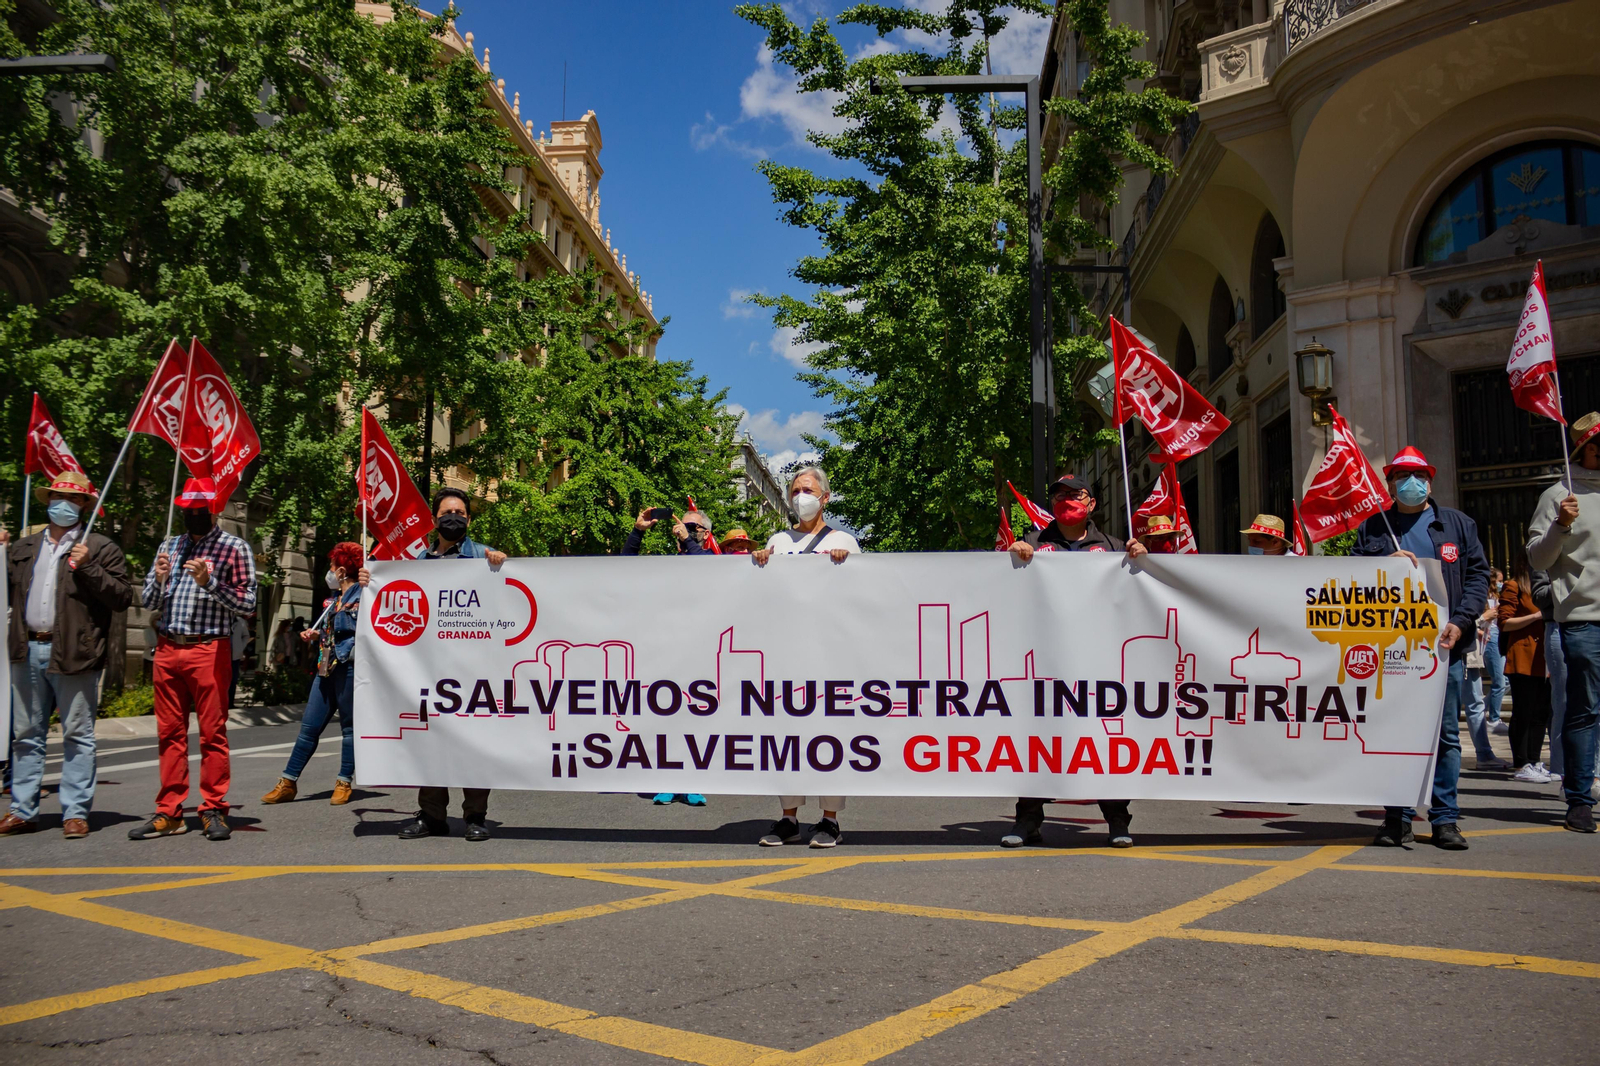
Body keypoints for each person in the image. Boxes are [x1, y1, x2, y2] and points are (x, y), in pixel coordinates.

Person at [1004, 473, 1147, 849]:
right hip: (1044, 664)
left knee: (1102, 739)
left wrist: (1140, 561)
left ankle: (1117, 820)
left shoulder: (1115, 547)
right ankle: (1028, 819)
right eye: (1059, 495)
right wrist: (1011, 557)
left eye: (1075, 495)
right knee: (1038, 739)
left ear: (1091, 503)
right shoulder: (1033, 543)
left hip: (1099, 664)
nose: (1066, 501)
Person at [1356, 447, 1488, 851]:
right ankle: (1396, 818)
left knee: (1445, 734)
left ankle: (1445, 819)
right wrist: (1384, 568)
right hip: (1391, 648)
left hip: (1443, 646)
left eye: (1418, 476)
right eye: (1401, 477)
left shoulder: (1457, 525)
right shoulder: (1374, 528)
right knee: (1392, 732)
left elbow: (1478, 576)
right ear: (1390, 483)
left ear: (1430, 480)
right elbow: (1354, 582)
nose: (1411, 483)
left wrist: (1461, 621)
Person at [363, 487, 506, 842]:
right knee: (429, 744)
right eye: (446, 512)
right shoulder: (418, 565)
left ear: (468, 520)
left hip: (473, 671)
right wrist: (368, 584)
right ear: (435, 519)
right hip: (430, 672)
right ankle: (431, 815)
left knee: (474, 744)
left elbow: (505, 603)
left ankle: (475, 816)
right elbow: (393, 602)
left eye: (459, 512)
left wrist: (503, 566)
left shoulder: (484, 559)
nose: (453, 517)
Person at [0, 472, 133, 838]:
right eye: (58, 496)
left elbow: (122, 597)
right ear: (47, 500)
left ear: (84, 506)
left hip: (75, 654)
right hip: (26, 649)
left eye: (73, 499)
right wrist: (1, 550)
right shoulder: (24, 548)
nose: (64, 504)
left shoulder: (101, 547)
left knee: (78, 734)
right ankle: (22, 810)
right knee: (25, 734)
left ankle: (75, 812)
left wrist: (88, 565)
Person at [131, 477, 258, 841]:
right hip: (169, 646)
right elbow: (151, 602)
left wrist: (211, 583)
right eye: (187, 511)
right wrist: (157, 578)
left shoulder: (235, 549)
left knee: (212, 733)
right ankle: (169, 811)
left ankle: (213, 808)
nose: (193, 516)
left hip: (209, 648)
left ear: (213, 509)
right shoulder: (170, 546)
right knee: (169, 733)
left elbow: (248, 603)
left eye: (199, 511)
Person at [753, 467, 860, 847]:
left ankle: (829, 819)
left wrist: (848, 566)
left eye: (808, 490)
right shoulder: (778, 542)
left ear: (825, 497)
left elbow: (862, 597)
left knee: (829, 736)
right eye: (796, 490)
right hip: (786, 657)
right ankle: (788, 816)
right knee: (786, 736)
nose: (802, 496)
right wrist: (759, 563)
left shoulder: (844, 540)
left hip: (831, 658)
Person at [1526, 411, 1600, 834]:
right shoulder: (1558, 494)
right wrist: (1562, 525)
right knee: (1584, 711)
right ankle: (1579, 799)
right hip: (1585, 620)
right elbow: (1537, 558)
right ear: (1587, 448)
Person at [261, 543, 365, 807]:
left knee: (349, 728)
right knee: (309, 728)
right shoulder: (332, 602)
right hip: (326, 667)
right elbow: (334, 632)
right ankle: (288, 781)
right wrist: (317, 634)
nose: (328, 572)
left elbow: (362, 630)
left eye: (331, 567)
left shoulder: (364, 595)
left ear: (341, 571)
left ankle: (343, 782)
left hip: (349, 667)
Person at [621, 507, 711, 806]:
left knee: (696, 719)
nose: (685, 530)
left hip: (700, 655)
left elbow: (709, 569)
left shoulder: (710, 561)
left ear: (705, 534)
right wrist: (638, 532)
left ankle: (694, 780)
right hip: (663, 653)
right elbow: (622, 569)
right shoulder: (666, 566)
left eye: (694, 527)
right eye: (682, 527)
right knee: (665, 718)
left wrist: (689, 542)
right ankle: (668, 778)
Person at [1500, 561, 1552, 783]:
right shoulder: (1514, 586)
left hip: (1544, 658)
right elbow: (1504, 622)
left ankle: (1535, 760)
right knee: (1523, 711)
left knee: (1541, 713)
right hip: (1523, 656)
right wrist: (1536, 616)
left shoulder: (1547, 587)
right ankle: (1521, 763)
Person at [1534, 568, 1567, 788]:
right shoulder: (1544, 546)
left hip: (1592, 623)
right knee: (1563, 703)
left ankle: (1593, 772)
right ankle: (1564, 774)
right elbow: (1539, 595)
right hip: (1557, 624)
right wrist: (1571, 580)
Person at [622, 507, 709, 556]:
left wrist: (687, 539)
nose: (683, 530)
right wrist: (638, 530)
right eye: (683, 526)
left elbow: (704, 566)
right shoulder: (670, 561)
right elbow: (627, 565)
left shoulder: (712, 556)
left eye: (691, 526)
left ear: (706, 534)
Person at [1482, 572, 1508, 733]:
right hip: (1490, 636)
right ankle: (1493, 718)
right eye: (1499, 581)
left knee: (1506, 679)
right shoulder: (1484, 598)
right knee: (1499, 680)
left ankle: (1483, 705)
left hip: (1499, 634)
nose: (1502, 583)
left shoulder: (1498, 596)